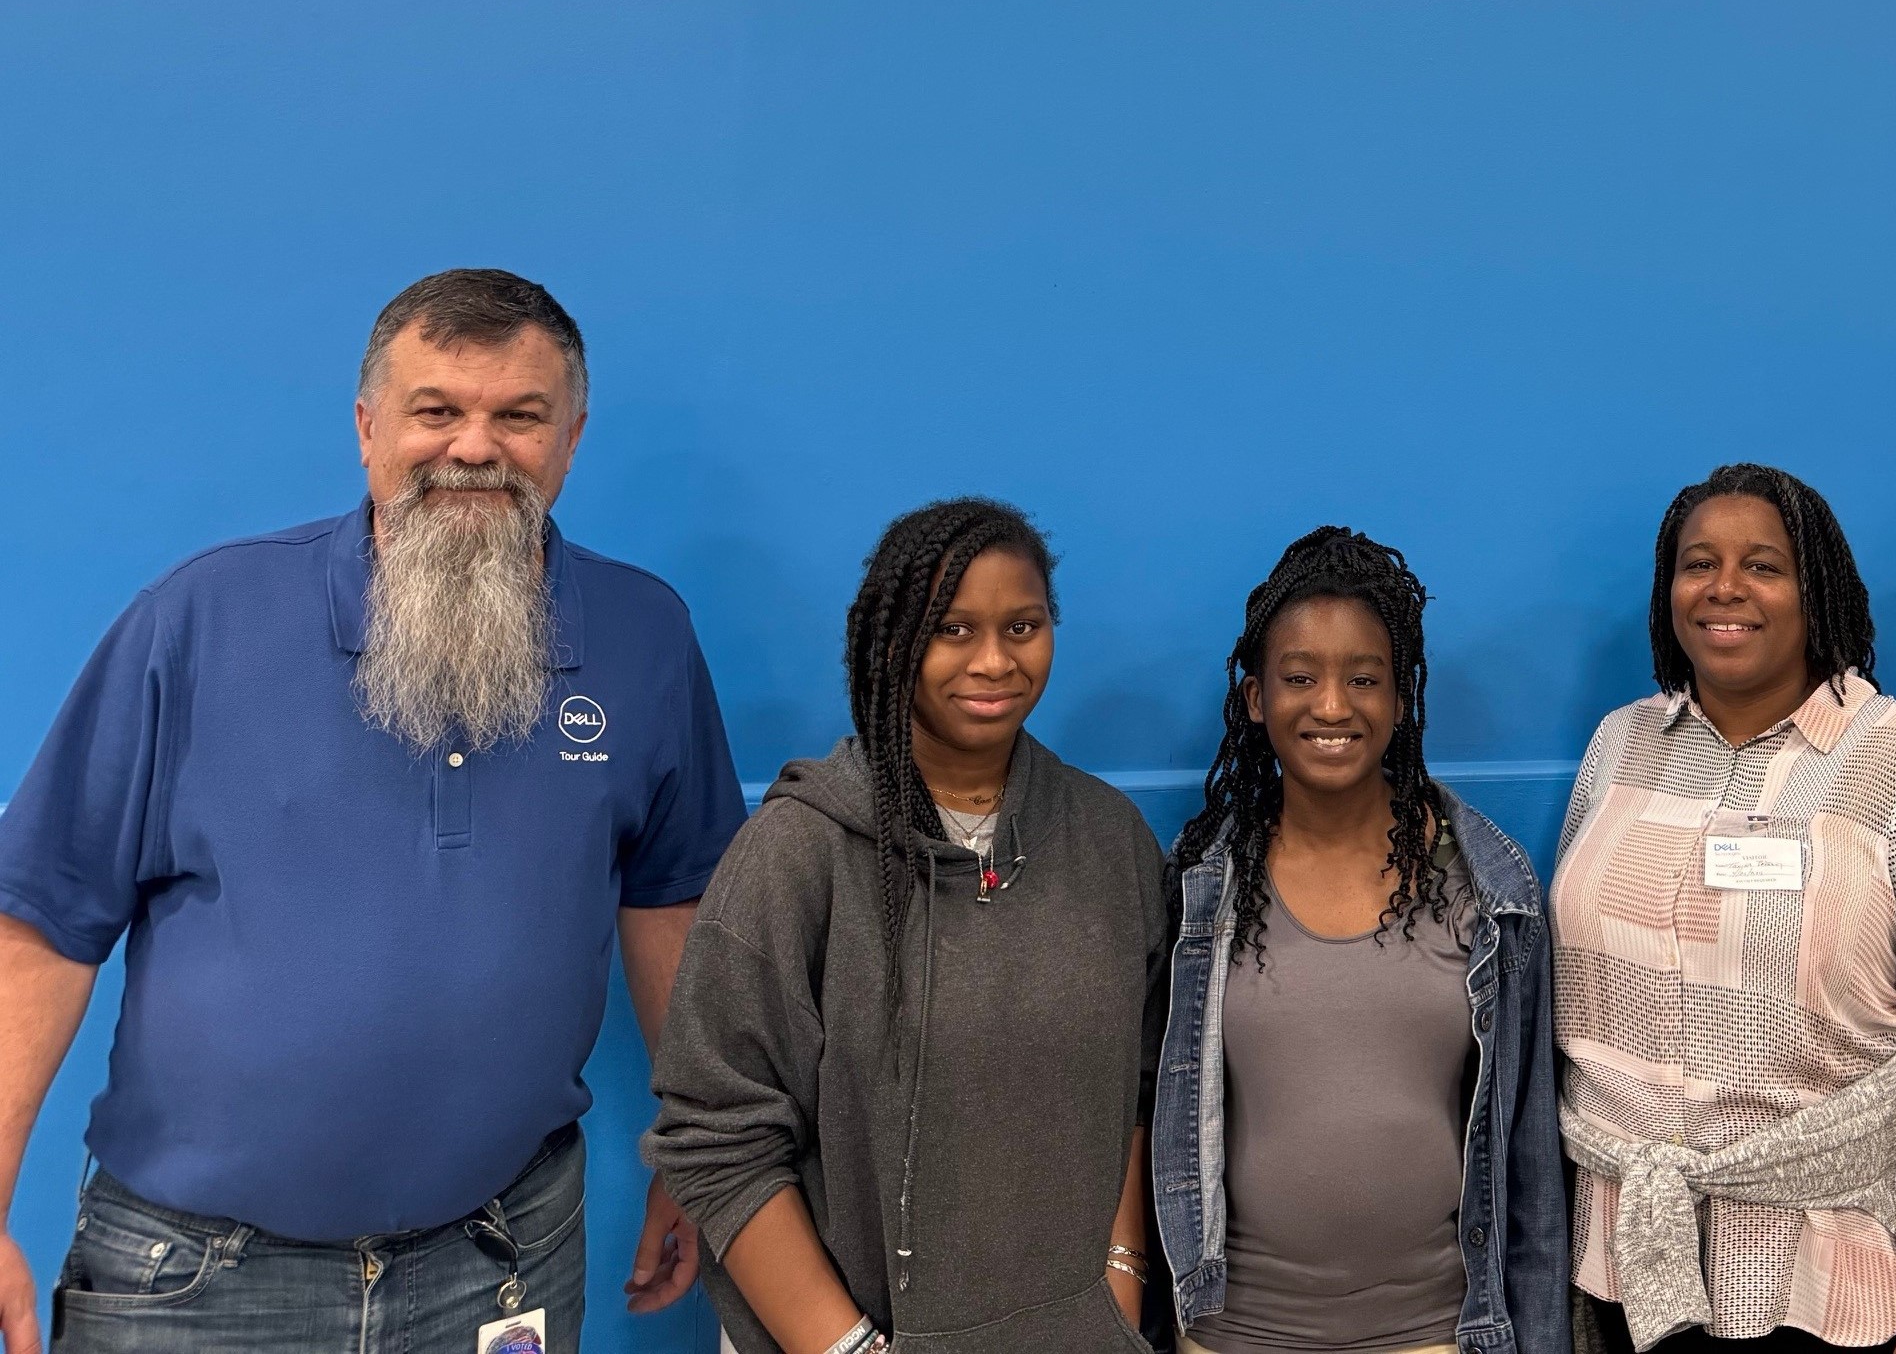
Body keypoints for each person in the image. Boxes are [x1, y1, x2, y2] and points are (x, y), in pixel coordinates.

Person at [0, 268, 744, 1354]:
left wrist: (696, 1150)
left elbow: (674, 908)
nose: (475, 448)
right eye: (436, 410)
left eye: (519, 416)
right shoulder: (199, 621)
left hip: (502, 1262)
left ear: (572, 438)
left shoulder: (645, 638)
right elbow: (41, 924)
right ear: (367, 428)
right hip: (196, 1281)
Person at [645, 497, 1169, 1354]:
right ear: (891, 643)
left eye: (1023, 626)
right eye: (952, 629)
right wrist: (847, 1347)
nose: (994, 661)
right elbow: (715, 1137)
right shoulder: (796, 852)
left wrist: (1119, 1277)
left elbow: (1145, 1083)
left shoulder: (1108, 841)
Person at [1555, 464, 1896, 1354]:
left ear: (1819, 588)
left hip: (1828, 1280)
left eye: (1765, 566)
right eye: (1697, 563)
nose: (1725, 589)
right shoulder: (1621, 744)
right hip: (1625, 1256)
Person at [1153, 526, 1568, 1354]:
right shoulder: (1202, 887)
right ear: (1255, 698)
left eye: (1364, 679)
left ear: (1402, 697)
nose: (1333, 706)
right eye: (1300, 677)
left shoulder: (1492, 890)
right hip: (1235, 1333)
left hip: (1434, 1333)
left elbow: (1531, 1172)